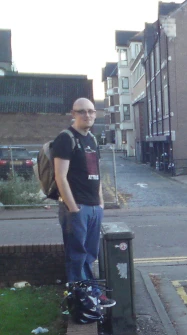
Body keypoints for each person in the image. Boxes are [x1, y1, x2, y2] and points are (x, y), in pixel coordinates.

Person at [54, 98, 115, 308]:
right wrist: (73, 208)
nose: (86, 115)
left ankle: (90, 294)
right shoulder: (65, 138)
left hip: (94, 207)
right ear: (73, 113)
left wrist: (100, 203)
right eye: (81, 112)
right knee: (77, 255)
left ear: (95, 114)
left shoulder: (92, 139)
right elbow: (60, 177)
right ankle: (81, 299)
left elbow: (95, 172)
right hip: (76, 207)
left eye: (90, 111)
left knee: (90, 254)